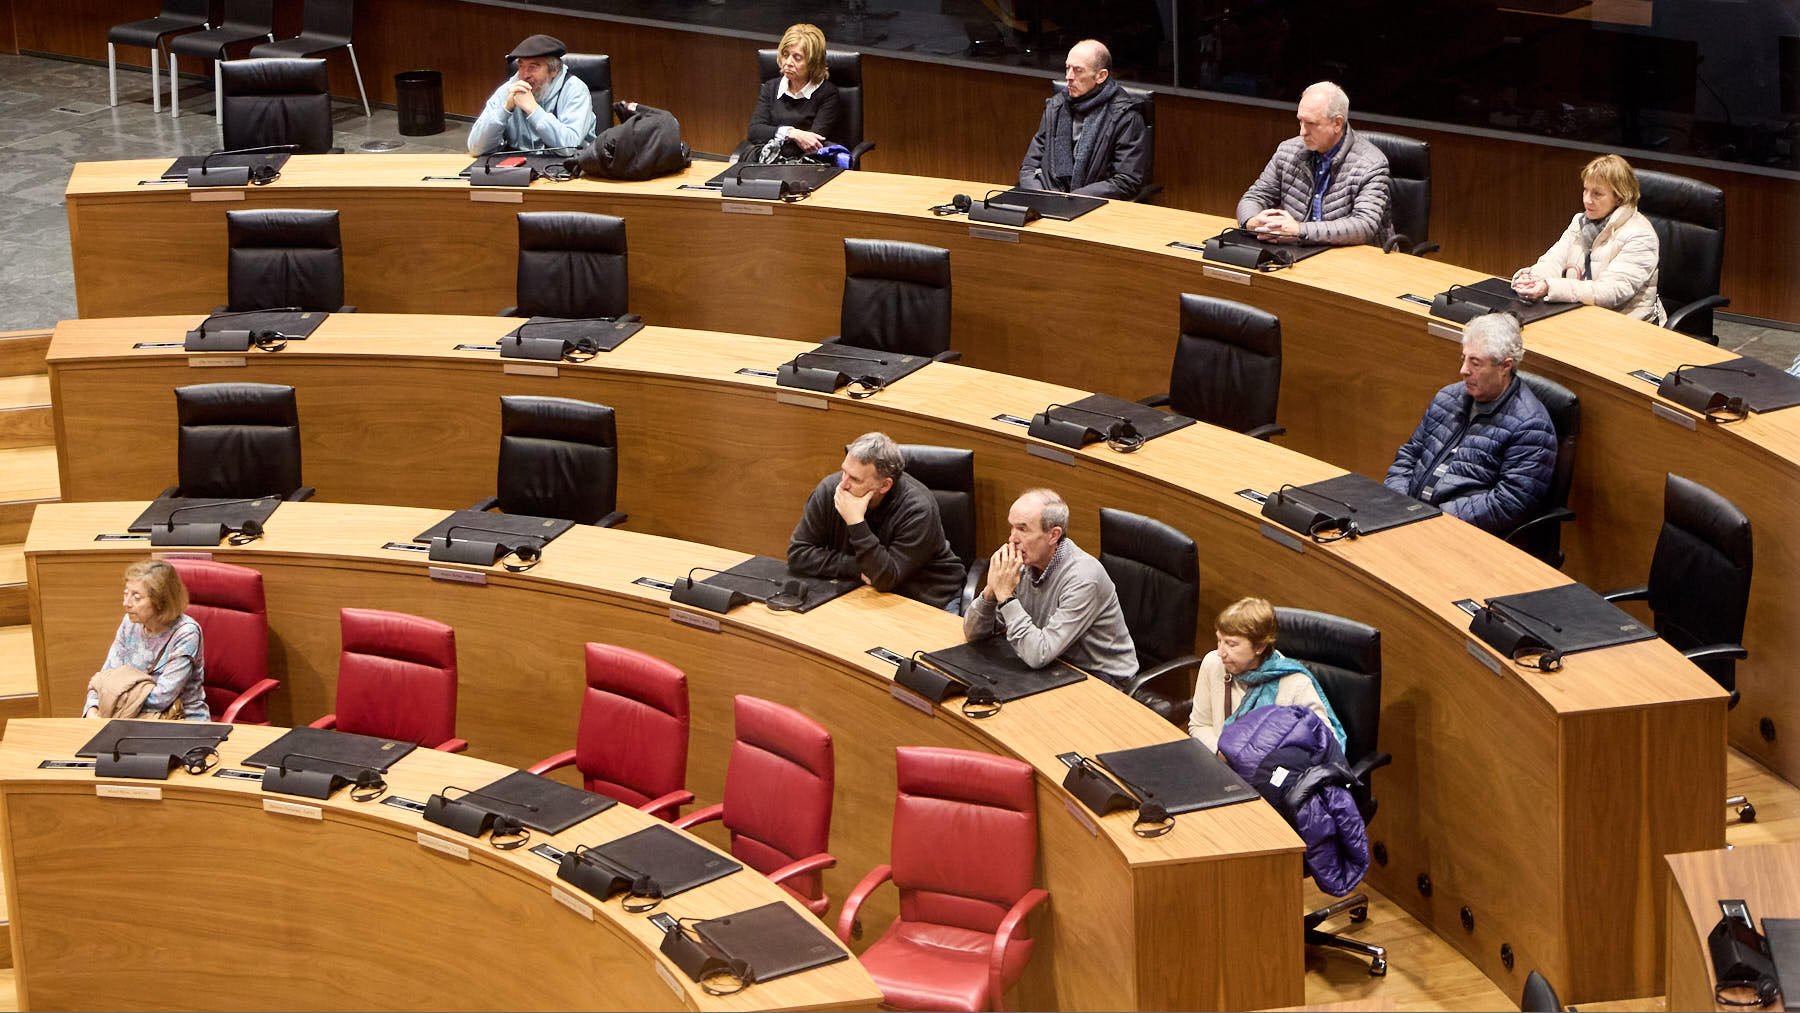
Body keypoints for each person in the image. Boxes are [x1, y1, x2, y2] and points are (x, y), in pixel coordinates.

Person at [1384, 312, 1557, 534]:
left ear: (1505, 366)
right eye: (1463, 358)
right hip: (1411, 516)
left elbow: (1509, 503)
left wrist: (1432, 518)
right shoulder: (1448, 397)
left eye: (1475, 363)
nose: (1463, 370)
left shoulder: (1531, 425)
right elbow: (1409, 455)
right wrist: (1396, 501)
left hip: (1457, 532)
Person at [962, 488, 1137, 687]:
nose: (1012, 538)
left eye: (1023, 529)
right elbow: (974, 634)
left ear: (1053, 535)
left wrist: (1006, 597)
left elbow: (1038, 654)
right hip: (1054, 666)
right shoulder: (1023, 564)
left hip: (1102, 679)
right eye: (1012, 527)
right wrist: (991, 592)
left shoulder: (1083, 578)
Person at [788, 432, 966, 609]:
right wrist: (857, 567)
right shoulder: (830, 490)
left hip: (927, 598)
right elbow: (798, 553)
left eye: (855, 479)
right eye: (844, 472)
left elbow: (885, 579)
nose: (843, 484)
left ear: (885, 485)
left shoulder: (918, 509)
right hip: (862, 592)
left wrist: (856, 522)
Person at [1511, 154, 1666, 324]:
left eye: (1597, 194)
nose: (1587, 200)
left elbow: (1611, 292)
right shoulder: (1580, 222)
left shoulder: (1641, 235)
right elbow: (1553, 260)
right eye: (1585, 190)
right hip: (1579, 315)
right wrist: (1533, 279)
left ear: (1620, 197)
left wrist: (1550, 287)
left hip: (1625, 324)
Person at [1236, 81, 1392, 247]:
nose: (1302, 132)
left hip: (1353, 260)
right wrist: (1252, 222)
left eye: (1310, 123)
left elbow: (1363, 227)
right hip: (1296, 252)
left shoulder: (1371, 164)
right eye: (1300, 121)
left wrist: (1299, 231)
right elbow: (1256, 196)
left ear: (1337, 123)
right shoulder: (1288, 151)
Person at [1189, 598, 1346, 754]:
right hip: (1217, 764)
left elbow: (1328, 746)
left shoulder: (1296, 685)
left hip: (1269, 774)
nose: (1221, 652)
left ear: (1259, 646)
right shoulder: (1213, 663)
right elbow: (1199, 725)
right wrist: (1221, 751)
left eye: (1231, 644)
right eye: (1219, 640)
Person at [1017, 39, 1149, 201]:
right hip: (1049, 200)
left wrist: (1070, 200)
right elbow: (1029, 166)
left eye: (1078, 70)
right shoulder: (1056, 107)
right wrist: (1041, 196)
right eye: (1067, 68)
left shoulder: (1126, 117)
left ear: (1101, 76)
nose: (1068, 77)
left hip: (1094, 206)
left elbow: (1125, 180)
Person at [83, 559, 208, 721]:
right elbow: (104, 677)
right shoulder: (129, 623)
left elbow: (162, 698)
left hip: (177, 719)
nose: (126, 603)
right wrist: (92, 707)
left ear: (161, 602)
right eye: (125, 593)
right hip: (127, 715)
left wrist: (111, 697)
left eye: (136, 597)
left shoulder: (186, 633)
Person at [467, 34, 597, 156]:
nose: (524, 75)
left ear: (554, 70)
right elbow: (475, 148)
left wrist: (534, 110)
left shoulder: (575, 90)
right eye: (521, 66)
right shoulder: (509, 89)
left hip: (565, 166)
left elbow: (570, 147)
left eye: (533, 67)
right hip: (517, 169)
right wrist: (505, 109)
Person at [743, 23, 844, 162]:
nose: (788, 62)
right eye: (785, 55)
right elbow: (754, 131)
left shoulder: (828, 94)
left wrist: (773, 136)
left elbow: (812, 144)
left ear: (813, 62)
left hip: (805, 166)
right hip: (768, 163)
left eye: (797, 57)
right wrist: (792, 133)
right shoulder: (770, 87)